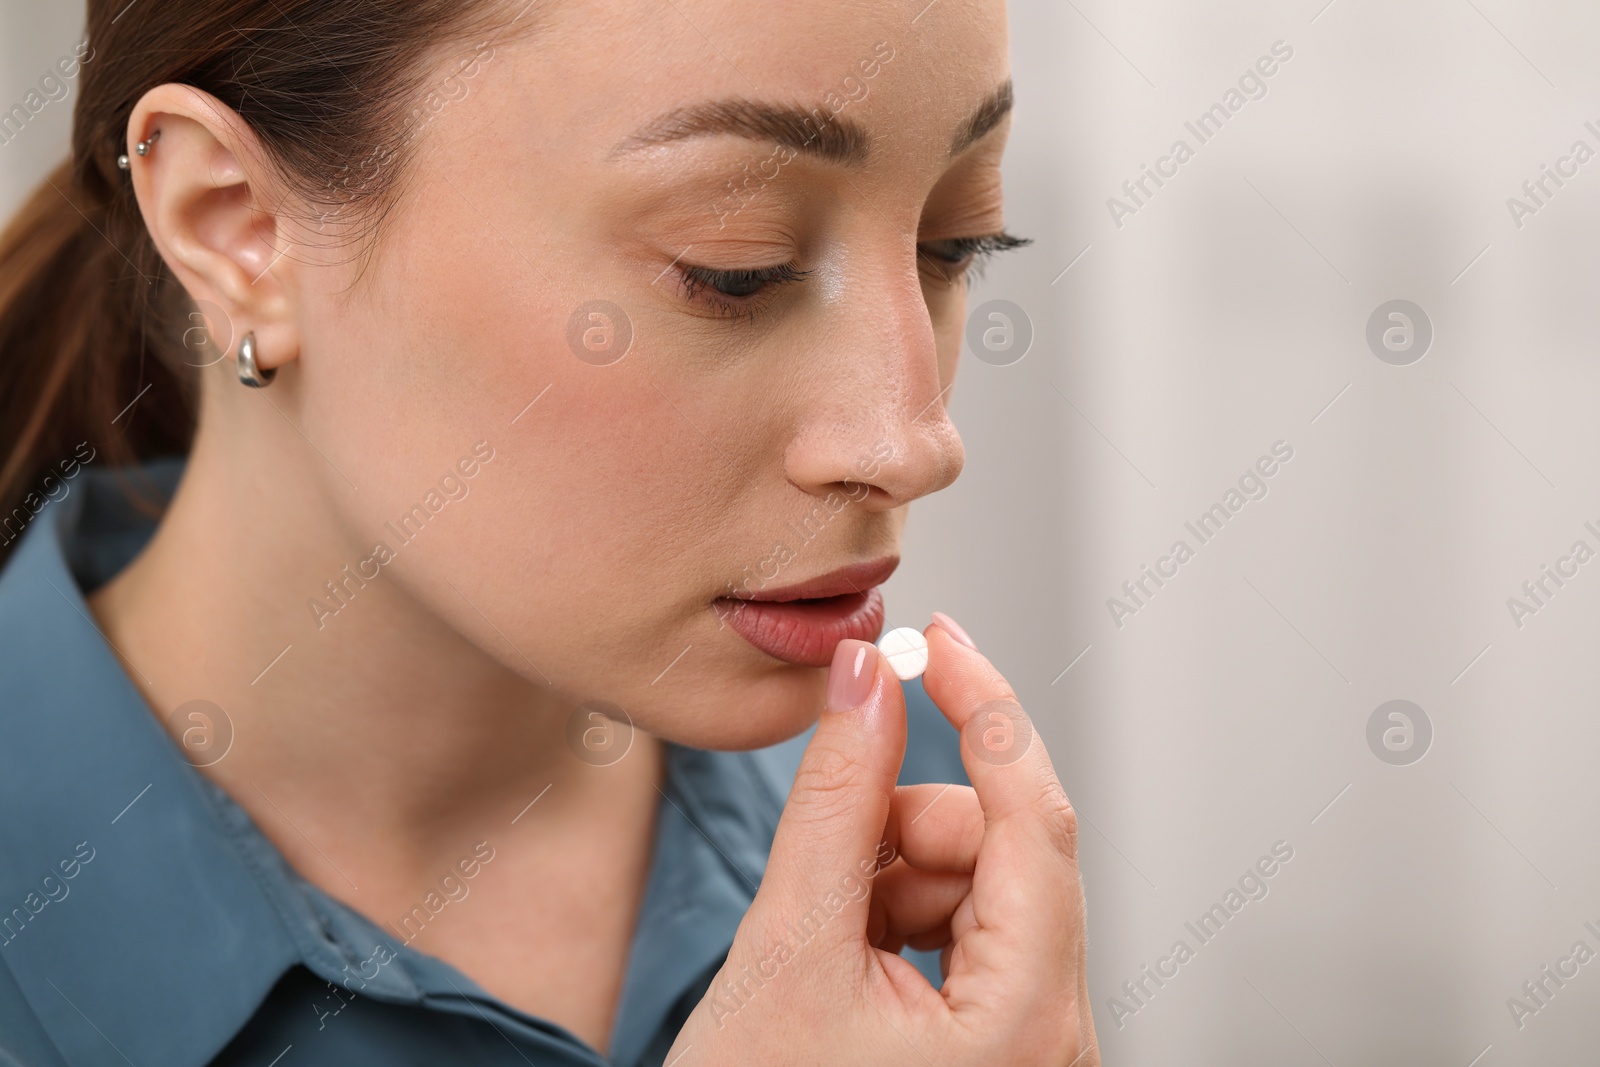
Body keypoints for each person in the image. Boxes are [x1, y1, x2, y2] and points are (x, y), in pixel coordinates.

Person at [0, 0, 1099, 1063]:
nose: (913, 443)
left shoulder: (931, 817)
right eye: (736, 264)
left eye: (957, 241)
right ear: (236, 223)